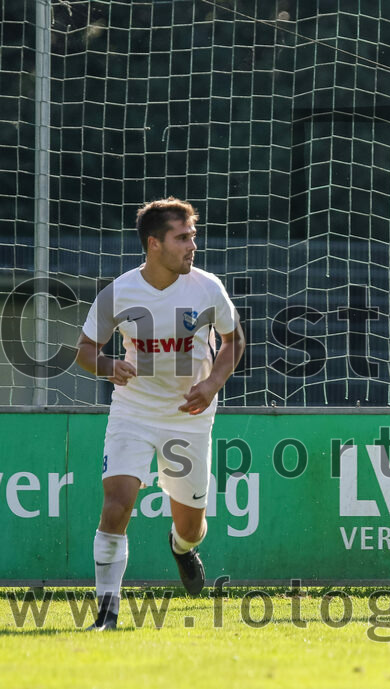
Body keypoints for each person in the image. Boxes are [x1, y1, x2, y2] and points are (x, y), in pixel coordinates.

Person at [75, 198, 244, 630]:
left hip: (187, 417)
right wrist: (109, 366)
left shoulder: (207, 287)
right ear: (154, 244)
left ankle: (182, 548)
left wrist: (210, 385)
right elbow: (85, 351)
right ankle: (106, 614)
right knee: (116, 505)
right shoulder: (119, 292)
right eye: (182, 238)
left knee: (191, 528)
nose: (193, 246)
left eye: (193, 236)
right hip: (133, 412)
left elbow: (234, 342)